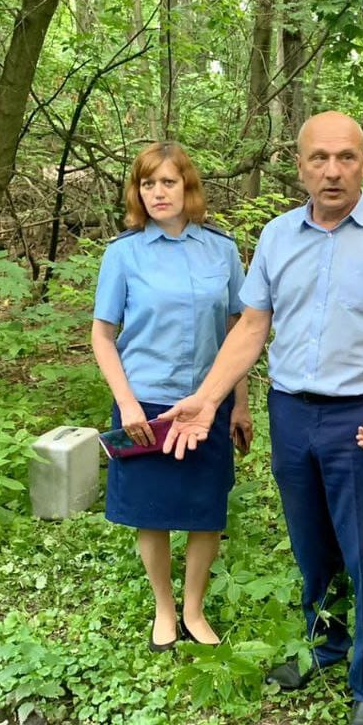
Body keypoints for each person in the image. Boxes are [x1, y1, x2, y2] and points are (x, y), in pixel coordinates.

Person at [161, 112, 363, 725]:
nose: (333, 170)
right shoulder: (276, 237)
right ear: (300, 166)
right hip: (291, 410)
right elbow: (252, 326)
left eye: (346, 157)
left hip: (362, 416)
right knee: (311, 541)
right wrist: (207, 399)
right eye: (319, 158)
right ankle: (326, 642)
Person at [90, 141, 254, 652]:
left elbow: (238, 331)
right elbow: (102, 335)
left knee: (206, 509)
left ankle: (194, 608)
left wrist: (240, 403)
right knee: (152, 509)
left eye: (168, 182)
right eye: (147, 183)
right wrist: (130, 403)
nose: (158, 193)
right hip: (146, 402)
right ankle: (164, 608)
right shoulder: (124, 254)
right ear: (137, 192)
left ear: (188, 186)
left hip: (208, 402)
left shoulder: (222, 250)